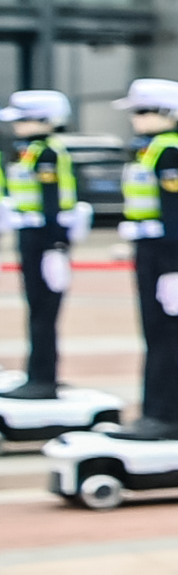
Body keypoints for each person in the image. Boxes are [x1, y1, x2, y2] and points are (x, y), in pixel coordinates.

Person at [114, 80, 178, 439]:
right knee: (153, 334)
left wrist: (174, 269)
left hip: (167, 252)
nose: (136, 118)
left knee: (165, 336)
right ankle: (152, 412)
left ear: (168, 114)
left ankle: (164, 417)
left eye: (143, 111)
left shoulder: (168, 151)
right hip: (149, 246)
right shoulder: (149, 150)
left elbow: (173, 210)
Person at [4, 91, 75, 398]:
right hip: (30, 235)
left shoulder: (47, 153)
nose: (16, 126)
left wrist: (56, 246)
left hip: (45, 238)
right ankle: (38, 373)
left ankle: (43, 378)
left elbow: (51, 201)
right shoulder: (27, 152)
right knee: (36, 309)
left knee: (44, 311)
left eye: (23, 120)